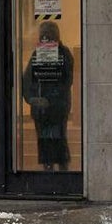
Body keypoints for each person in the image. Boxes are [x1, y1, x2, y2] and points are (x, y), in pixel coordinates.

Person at [22, 21, 75, 171]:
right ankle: (54, 170)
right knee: (49, 141)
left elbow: (66, 81)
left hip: (55, 106)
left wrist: (39, 99)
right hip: (47, 106)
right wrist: (33, 98)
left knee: (56, 140)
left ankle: (58, 171)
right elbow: (28, 79)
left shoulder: (63, 54)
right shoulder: (44, 53)